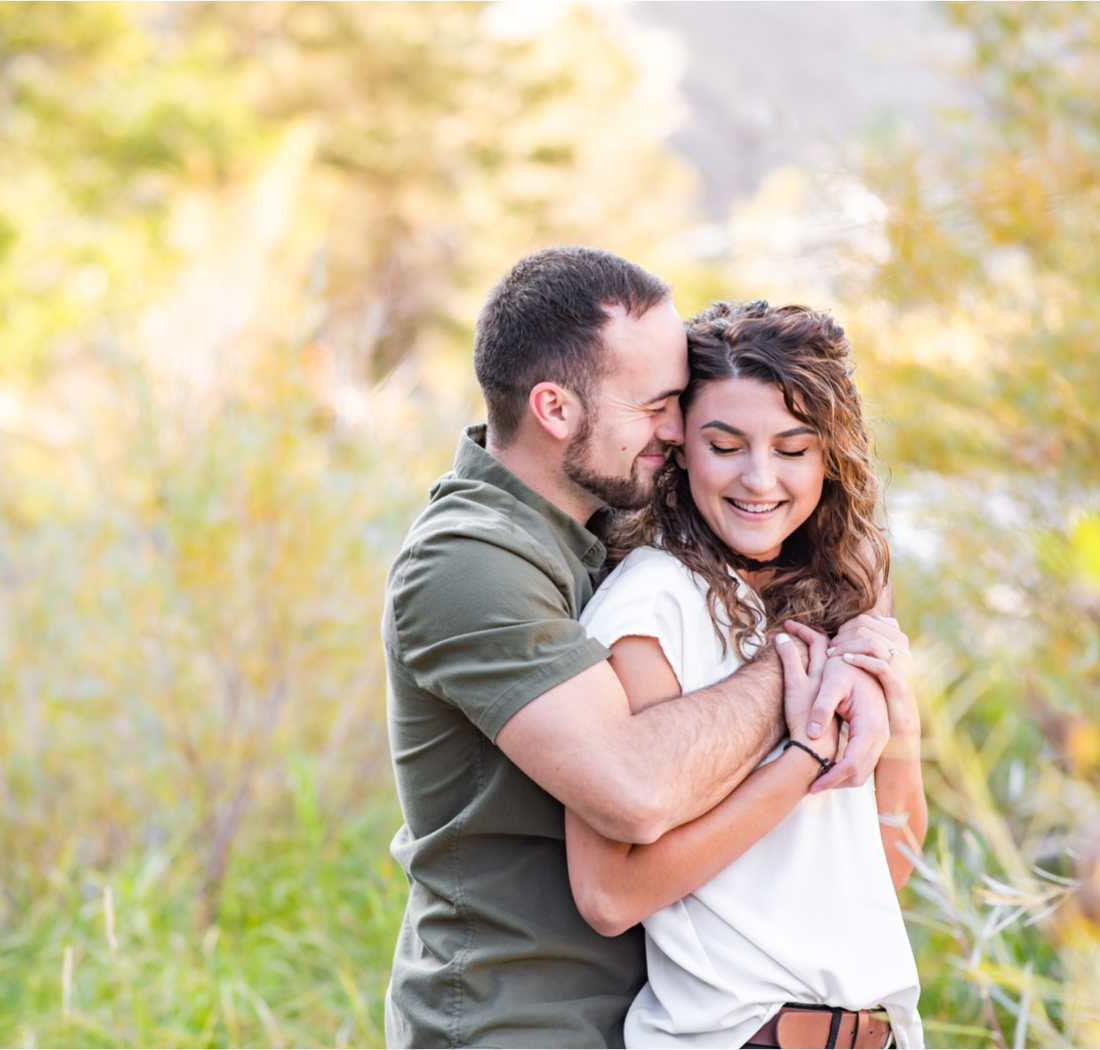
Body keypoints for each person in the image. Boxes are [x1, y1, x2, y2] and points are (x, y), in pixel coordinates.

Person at [382, 247, 894, 1048]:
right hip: (516, 1023)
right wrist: (804, 661)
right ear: (555, 409)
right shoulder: (471, 562)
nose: (676, 430)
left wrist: (862, 643)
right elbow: (633, 790)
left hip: (633, 1021)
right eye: (657, 404)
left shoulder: (599, 527)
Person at [567, 300, 926, 1049]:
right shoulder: (652, 603)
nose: (759, 479)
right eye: (725, 445)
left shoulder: (837, 597)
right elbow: (611, 894)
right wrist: (802, 760)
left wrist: (900, 716)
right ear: (681, 449)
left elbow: (888, 870)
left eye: (793, 449)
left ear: (831, 457)